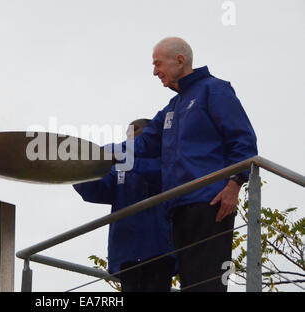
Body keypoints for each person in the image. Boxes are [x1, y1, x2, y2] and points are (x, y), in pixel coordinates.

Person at [110, 37, 258, 291]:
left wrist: (234, 184)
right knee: (190, 283)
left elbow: (242, 139)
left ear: (180, 60)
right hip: (177, 209)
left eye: (158, 64)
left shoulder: (214, 90)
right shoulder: (171, 108)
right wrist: (95, 154)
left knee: (207, 281)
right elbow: (143, 145)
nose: (155, 71)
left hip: (211, 202)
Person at [73, 119, 176, 292]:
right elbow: (93, 190)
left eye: (135, 130)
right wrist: (78, 171)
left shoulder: (166, 159)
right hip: (126, 252)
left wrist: (126, 160)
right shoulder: (119, 168)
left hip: (158, 249)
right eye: (127, 133)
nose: (129, 136)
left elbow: (163, 177)